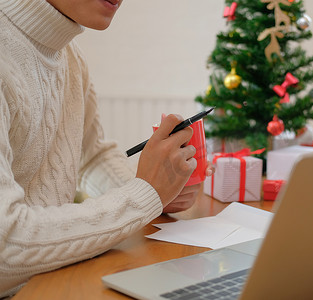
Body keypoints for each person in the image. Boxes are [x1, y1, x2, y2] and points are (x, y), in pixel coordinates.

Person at [0, 0, 214, 297]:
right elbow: (6, 248)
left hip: (52, 280)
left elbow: (91, 157)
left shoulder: (70, 55)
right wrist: (144, 195)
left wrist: (160, 192)